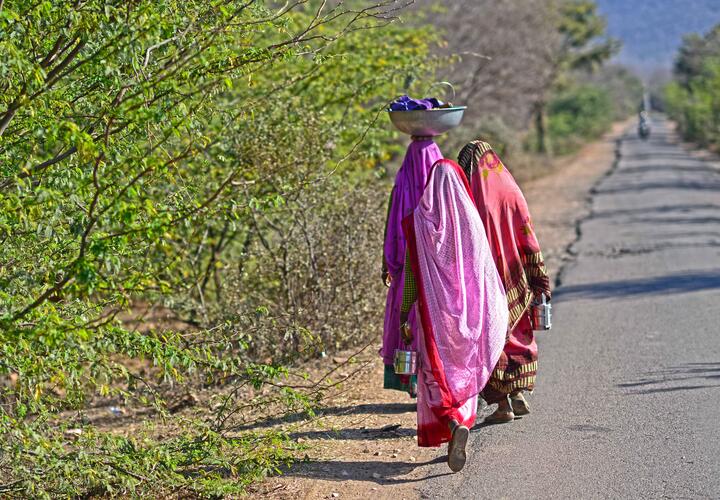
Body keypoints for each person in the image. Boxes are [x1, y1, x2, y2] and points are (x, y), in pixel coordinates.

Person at [400, 159, 508, 472]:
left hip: (433, 316)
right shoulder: (470, 220)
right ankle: (461, 419)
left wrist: (405, 312)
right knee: (464, 368)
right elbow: (482, 269)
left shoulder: (417, 222)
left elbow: (410, 274)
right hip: (469, 315)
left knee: (437, 374)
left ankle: (450, 424)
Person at [457, 141, 552, 423]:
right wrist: (538, 277)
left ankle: (502, 405)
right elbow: (528, 231)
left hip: (487, 281)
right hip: (516, 275)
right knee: (517, 334)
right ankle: (518, 393)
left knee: (493, 339)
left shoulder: (469, 196)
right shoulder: (511, 189)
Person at [381, 137, 442, 396]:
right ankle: (433, 379)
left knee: (407, 315)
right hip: (434, 266)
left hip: (406, 264)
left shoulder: (400, 184)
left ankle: (411, 379)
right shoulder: (442, 185)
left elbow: (391, 224)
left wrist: (387, 261)